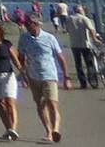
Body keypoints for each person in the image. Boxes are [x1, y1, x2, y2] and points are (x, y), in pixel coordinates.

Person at [17, 13, 68, 142]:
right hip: (33, 77)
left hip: (49, 76)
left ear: (37, 24)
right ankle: (48, 131)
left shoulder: (49, 38)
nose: (27, 26)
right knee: (40, 105)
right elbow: (21, 57)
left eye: (30, 24)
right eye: (26, 24)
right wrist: (23, 75)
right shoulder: (24, 38)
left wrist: (66, 77)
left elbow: (60, 58)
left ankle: (55, 129)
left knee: (52, 103)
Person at [65, 5, 101, 89]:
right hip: (85, 44)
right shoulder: (84, 18)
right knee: (89, 63)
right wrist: (95, 39)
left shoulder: (69, 19)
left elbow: (67, 29)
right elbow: (91, 29)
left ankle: (83, 82)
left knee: (78, 64)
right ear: (80, 11)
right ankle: (92, 80)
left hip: (74, 44)